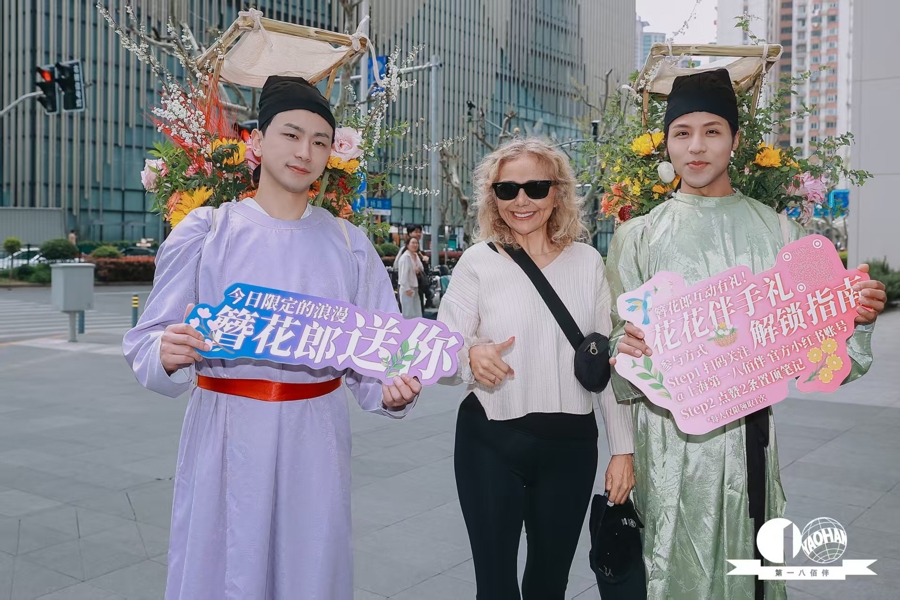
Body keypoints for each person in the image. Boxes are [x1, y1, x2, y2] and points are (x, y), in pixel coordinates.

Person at [123, 76, 421, 600]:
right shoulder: (208, 232)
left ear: (332, 155)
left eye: (320, 141)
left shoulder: (349, 244)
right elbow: (148, 337)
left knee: (309, 567)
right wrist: (165, 353)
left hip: (316, 434)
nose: (305, 151)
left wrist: (395, 389)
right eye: (291, 134)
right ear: (257, 141)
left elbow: (384, 353)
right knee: (223, 566)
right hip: (226, 431)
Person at [605, 69, 888, 600]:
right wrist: (627, 350)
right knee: (673, 573)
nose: (696, 146)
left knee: (747, 575)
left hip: (748, 440)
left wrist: (856, 319)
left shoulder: (780, 234)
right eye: (682, 132)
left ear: (735, 140)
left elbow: (830, 357)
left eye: (712, 131)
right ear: (666, 144)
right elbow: (621, 351)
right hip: (667, 447)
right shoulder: (638, 236)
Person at [438, 138, 635, 599]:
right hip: (489, 441)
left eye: (536, 187)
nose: (521, 200)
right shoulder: (477, 262)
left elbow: (606, 362)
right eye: (507, 190)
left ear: (557, 192)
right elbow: (442, 351)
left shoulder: (588, 263)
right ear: (493, 197)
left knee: (549, 586)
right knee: (495, 588)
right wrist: (470, 355)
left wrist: (623, 451)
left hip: (570, 448)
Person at [397, 235, 424, 318]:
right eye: (413, 243)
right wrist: (407, 289)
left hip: (415, 287)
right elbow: (403, 275)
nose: (415, 245)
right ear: (407, 245)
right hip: (407, 289)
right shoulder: (405, 257)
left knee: (417, 313)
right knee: (408, 314)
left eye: (416, 243)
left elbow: (421, 268)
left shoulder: (416, 255)